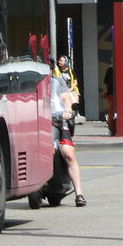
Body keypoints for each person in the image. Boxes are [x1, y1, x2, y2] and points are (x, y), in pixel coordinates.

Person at [51, 70, 86, 207]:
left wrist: (67, 110)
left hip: (58, 122)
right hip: (39, 124)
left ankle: (79, 194)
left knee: (69, 153)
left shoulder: (57, 81)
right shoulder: (31, 82)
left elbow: (66, 98)